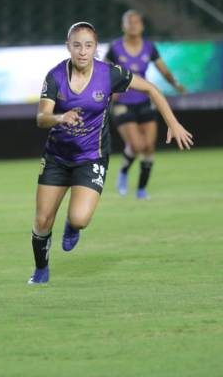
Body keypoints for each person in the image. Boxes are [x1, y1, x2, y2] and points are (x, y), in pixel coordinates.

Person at [29, 21, 193, 284]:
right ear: (68, 47)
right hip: (56, 158)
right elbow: (41, 117)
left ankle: (73, 225)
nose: (83, 51)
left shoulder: (109, 74)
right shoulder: (55, 76)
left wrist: (173, 123)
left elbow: (151, 88)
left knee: (80, 219)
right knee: (42, 220)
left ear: (95, 48)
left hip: (91, 158)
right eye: (77, 45)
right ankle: (40, 270)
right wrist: (60, 118)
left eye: (88, 45)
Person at [105, 10, 186, 199]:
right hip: (122, 103)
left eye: (136, 22)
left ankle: (141, 189)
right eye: (129, 22)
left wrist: (175, 84)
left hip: (143, 101)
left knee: (149, 146)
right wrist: (110, 90)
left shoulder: (149, 47)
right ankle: (124, 172)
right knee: (136, 144)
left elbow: (164, 71)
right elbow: (103, 70)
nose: (133, 25)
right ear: (123, 26)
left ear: (142, 26)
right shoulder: (115, 48)